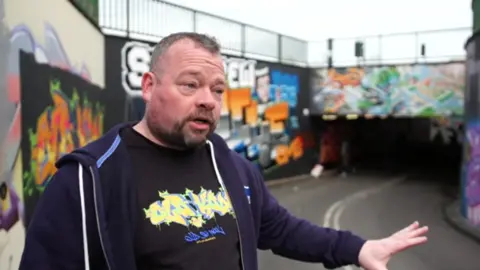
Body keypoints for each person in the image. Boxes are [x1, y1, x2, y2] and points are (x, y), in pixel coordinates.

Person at [19, 32, 428, 270]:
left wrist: (357, 249)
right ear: (148, 87)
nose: (208, 100)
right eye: (189, 84)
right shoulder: (87, 180)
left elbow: (281, 229)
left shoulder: (231, 166)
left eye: (217, 90)